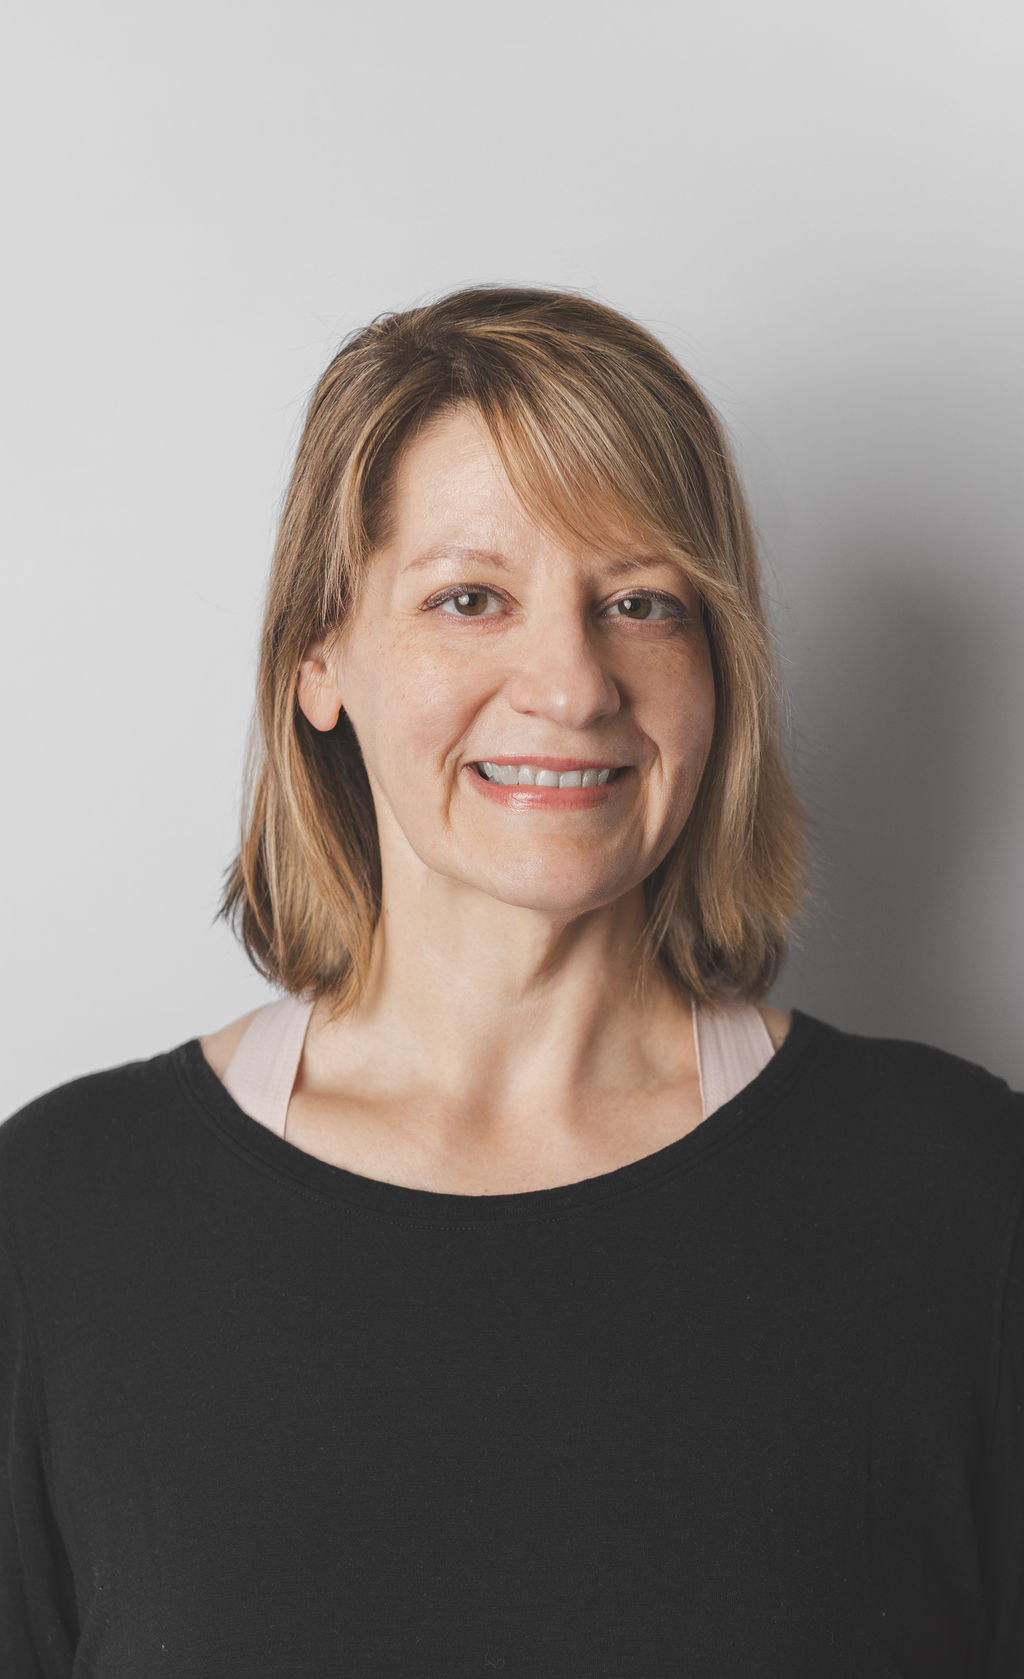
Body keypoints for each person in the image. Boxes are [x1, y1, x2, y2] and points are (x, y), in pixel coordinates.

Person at [1, 285, 1021, 1678]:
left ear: (717, 670)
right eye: (470, 599)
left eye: (641, 603)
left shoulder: (961, 1198)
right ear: (319, 658)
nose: (573, 684)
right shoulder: (61, 1223)